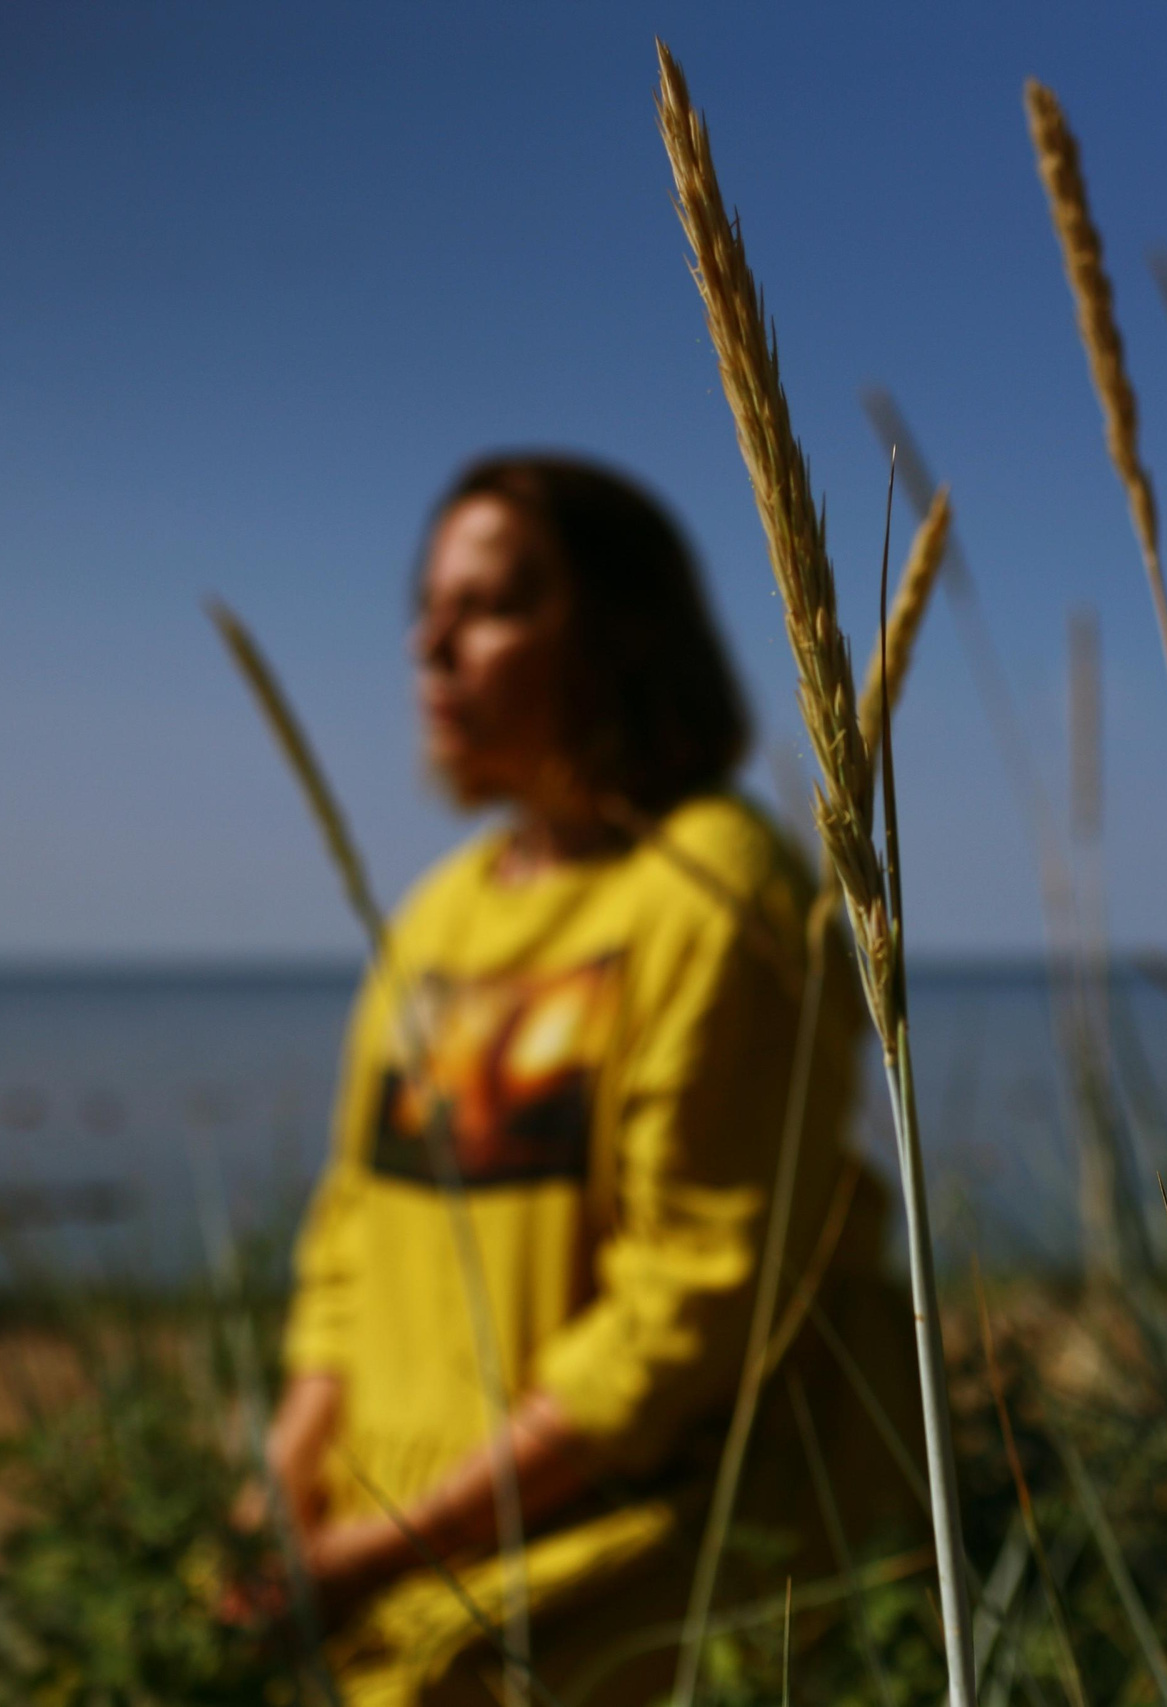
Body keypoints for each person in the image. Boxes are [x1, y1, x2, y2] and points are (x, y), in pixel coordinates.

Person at [260, 453, 920, 1707]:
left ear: (620, 636)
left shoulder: (715, 888)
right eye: (430, 604)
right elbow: (351, 1230)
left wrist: (395, 1548)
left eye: (495, 606)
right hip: (381, 1539)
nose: (432, 645)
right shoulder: (441, 912)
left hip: (615, 1567)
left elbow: (691, 1301)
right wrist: (290, 1472)